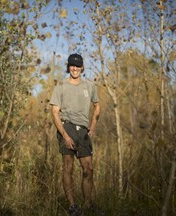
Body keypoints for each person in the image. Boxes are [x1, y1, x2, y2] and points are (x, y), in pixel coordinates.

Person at [49, 53, 100, 216]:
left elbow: (97, 106)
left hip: (83, 131)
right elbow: (55, 112)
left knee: (88, 169)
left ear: (82, 67)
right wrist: (65, 135)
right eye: (72, 65)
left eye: (78, 66)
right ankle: (73, 207)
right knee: (68, 167)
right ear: (68, 66)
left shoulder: (90, 86)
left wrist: (92, 126)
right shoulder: (61, 86)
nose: (75, 68)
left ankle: (87, 204)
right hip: (67, 127)